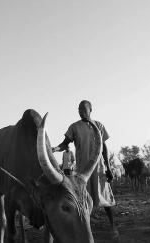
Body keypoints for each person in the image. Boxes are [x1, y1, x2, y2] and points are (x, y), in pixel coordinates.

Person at [52, 100, 119, 239]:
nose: (81, 111)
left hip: (99, 168)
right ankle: (86, 230)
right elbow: (65, 144)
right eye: (79, 109)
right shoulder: (74, 127)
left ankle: (113, 227)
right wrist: (55, 149)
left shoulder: (99, 125)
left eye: (84, 109)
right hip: (83, 171)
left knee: (105, 197)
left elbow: (104, 147)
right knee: (83, 200)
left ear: (90, 110)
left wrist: (108, 167)